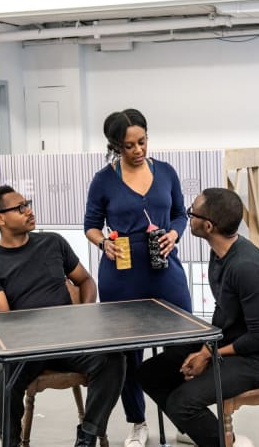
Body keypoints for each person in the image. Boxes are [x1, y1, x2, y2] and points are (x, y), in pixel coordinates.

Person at [0, 185, 125, 447]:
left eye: (27, 203)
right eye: (20, 208)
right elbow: (4, 322)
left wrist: (83, 313)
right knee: (2, 384)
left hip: (69, 340)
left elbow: (86, 281)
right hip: (26, 349)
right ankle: (12, 443)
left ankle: (87, 437)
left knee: (114, 360)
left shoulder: (53, 242)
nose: (29, 211)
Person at [137, 188, 259, 447]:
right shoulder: (219, 254)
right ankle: (202, 431)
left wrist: (209, 355)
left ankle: (218, 441)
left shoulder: (247, 268)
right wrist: (206, 347)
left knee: (181, 402)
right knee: (149, 373)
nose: (188, 217)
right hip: (232, 341)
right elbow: (225, 313)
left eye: (192, 212)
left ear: (207, 226)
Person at [84, 108, 193, 447]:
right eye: (128, 145)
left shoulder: (166, 172)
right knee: (128, 353)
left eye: (142, 142)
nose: (137, 150)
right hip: (122, 273)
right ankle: (137, 422)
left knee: (183, 342)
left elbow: (179, 213)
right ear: (116, 146)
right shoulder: (103, 180)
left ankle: (185, 416)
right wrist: (103, 243)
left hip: (165, 266)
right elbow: (90, 224)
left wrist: (175, 234)